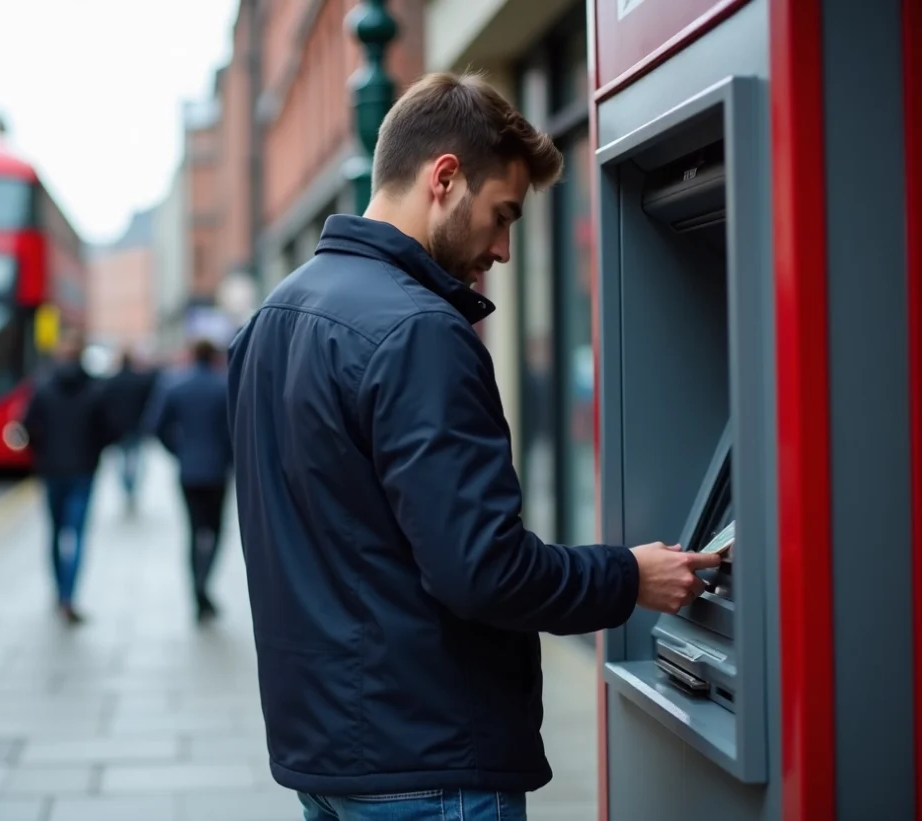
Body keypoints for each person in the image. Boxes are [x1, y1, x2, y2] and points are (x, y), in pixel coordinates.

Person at [226, 71, 722, 820]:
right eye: (503, 214)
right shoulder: (419, 330)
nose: (505, 248)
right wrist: (629, 576)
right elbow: (484, 571)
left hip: (327, 760)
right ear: (445, 178)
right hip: (430, 762)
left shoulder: (270, 321)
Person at [21, 330, 109, 625]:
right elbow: (109, 429)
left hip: (52, 471)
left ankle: (58, 593)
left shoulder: (43, 388)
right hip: (83, 471)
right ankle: (70, 596)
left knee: (56, 534)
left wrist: (41, 454)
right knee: (78, 536)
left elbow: (27, 428)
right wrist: (93, 453)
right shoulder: (95, 388)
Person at [150, 338, 233, 623]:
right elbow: (236, 429)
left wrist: (179, 451)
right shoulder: (225, 386)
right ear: (213, 357)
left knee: (194, 531)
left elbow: (156, 426)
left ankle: (197, 590)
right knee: (216, 531)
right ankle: (203, 585)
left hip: (189, 471)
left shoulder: (176, 385)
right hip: (218, 471)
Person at [101, 348, 160, 515]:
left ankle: (127, 488)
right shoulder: (139, 381)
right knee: (136, 461)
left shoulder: (111, 382)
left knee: (121, 462)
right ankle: (131, 488)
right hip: (136, 427)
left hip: (118, 428)